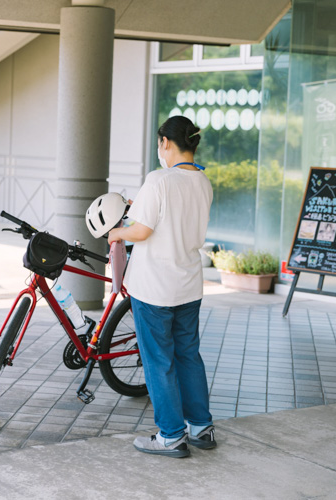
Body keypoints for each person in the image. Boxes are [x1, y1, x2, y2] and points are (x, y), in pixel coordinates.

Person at [108, 115, 215, 458]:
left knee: (159, 360)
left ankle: (171, 435)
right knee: (187, 356)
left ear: (165, 142)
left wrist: (117, 233)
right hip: (188, 284)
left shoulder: (159, 180)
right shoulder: (203, 182)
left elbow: (140, 230)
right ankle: (201, 428)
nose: (159, 149)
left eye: (159, 143)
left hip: (154, 288)